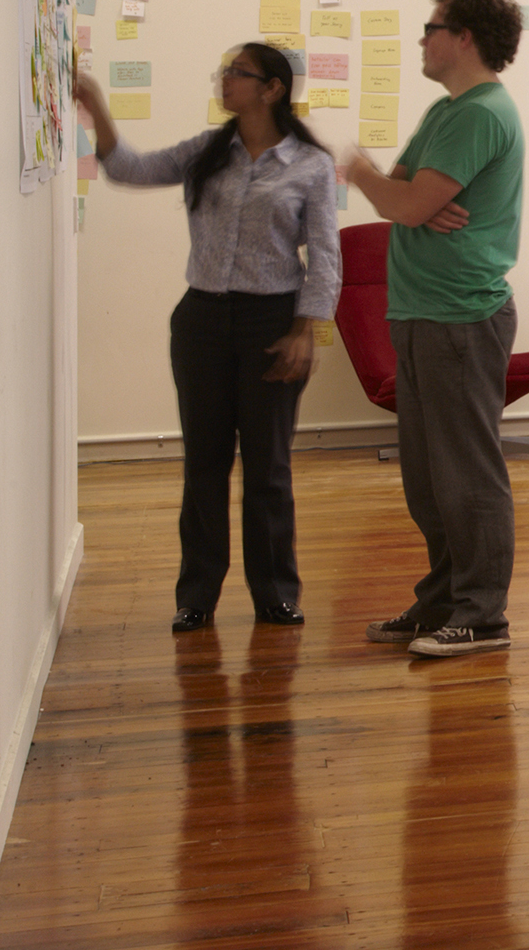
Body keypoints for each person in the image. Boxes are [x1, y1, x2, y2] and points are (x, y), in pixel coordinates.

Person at [76, 42, 340, 633]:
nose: (224, 81)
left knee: (268, 466)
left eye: (237, 73)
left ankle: (275, 592)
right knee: (205, 463)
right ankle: (196, 594)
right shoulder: (208, 151)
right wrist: (96, 108)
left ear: (272, 89)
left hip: (271, 323)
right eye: (224, 71)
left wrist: (308, 331)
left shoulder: (309, 166)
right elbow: (131, 170)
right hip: (200, 322)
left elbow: (325, 256)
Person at [343, 0, 528, 659]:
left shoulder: (481, 114)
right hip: (422, 309)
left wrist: (375, 179)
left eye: (431, 27)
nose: (422, 38)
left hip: (460, 314)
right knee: (427, 478)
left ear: (465, 38)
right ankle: (442, 603)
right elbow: (405, 193)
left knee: (467, 473)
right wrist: (403, 193)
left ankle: (483, 614)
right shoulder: (445, 109)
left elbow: (403, 197)